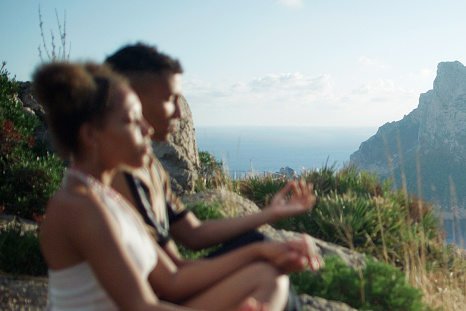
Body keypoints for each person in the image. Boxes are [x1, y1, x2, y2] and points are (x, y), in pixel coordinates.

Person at [35, 61, 316, 311]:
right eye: (131, 121)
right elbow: (141, 305)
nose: (145, 129)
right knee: (269, 281)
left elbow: (173, 276)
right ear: (90, 135)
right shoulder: (77, 206)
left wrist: (261, 251)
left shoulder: (108, 198)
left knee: (268, 277)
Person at [105, 43, 322, 310]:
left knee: (260, 250)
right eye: (169, 99)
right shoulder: (118, 177)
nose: (179, 113)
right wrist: (259, 252)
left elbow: (193, 234)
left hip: (167, 289)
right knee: (266, 269)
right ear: (133, 100)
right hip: (157, 298)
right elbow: (170, 279)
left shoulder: (149, 166)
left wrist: (270, 214)